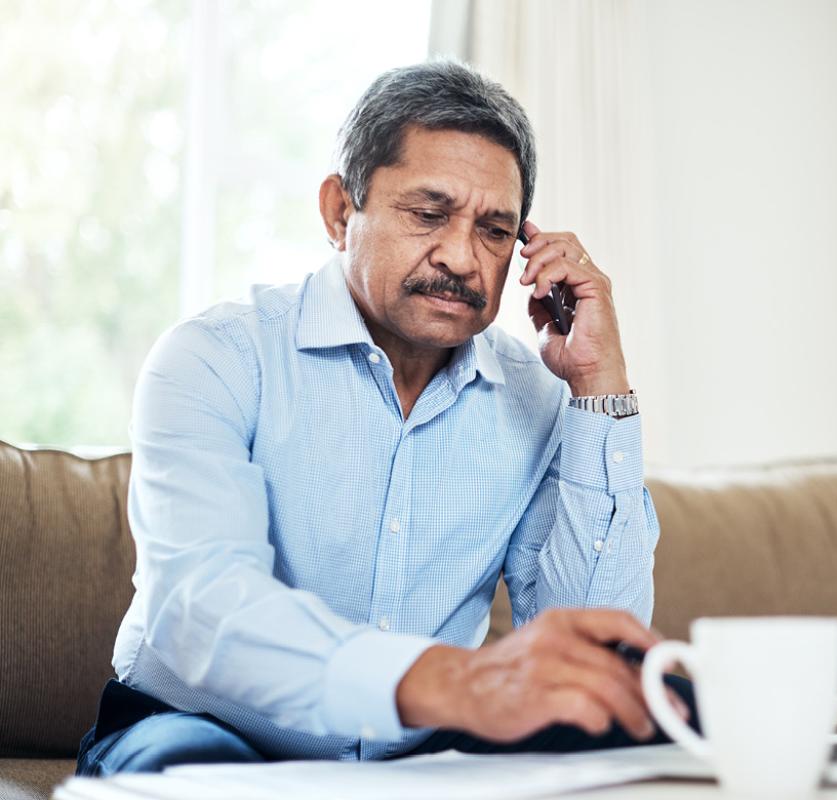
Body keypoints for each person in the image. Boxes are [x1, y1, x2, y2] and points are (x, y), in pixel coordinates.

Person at [77, 59, 695, 777]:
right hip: (198, 729)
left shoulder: (538, 396)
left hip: (421, 751)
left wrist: (599, 386)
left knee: (653, 717)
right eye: (429, 214)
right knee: (203, 779)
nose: (462, 258)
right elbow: (204, 612)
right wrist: (450, 683)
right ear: (341, 212)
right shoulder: (215, 358)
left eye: (494, 230)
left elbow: (597, 651)